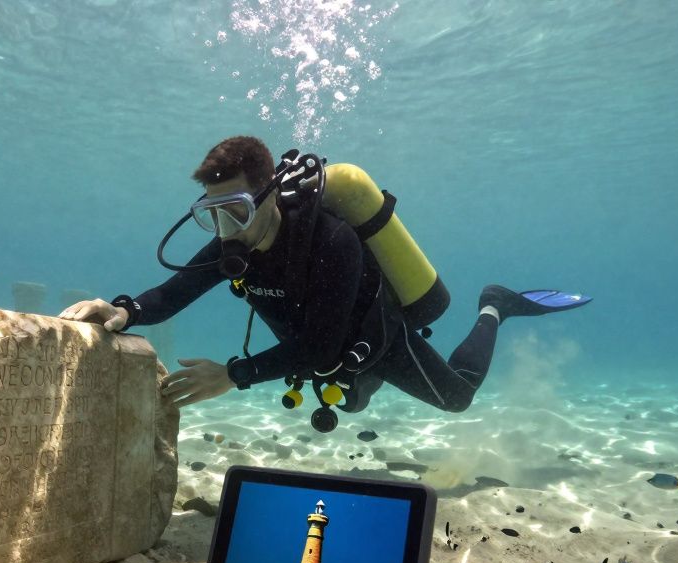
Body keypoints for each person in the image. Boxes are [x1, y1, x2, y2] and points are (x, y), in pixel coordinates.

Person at [59, 136, 588, 429]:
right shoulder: (229, 244)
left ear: (268, 196)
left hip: (373, 339)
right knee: (352, 401)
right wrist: (123, 310)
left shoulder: (332, 241)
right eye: (212, 213)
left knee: (457, 400)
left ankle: (494, 306)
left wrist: (233, 375)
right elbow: (173, 294)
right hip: (318, 351)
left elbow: (319, 346)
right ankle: (361, 388)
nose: (226, 229)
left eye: (238, 209)